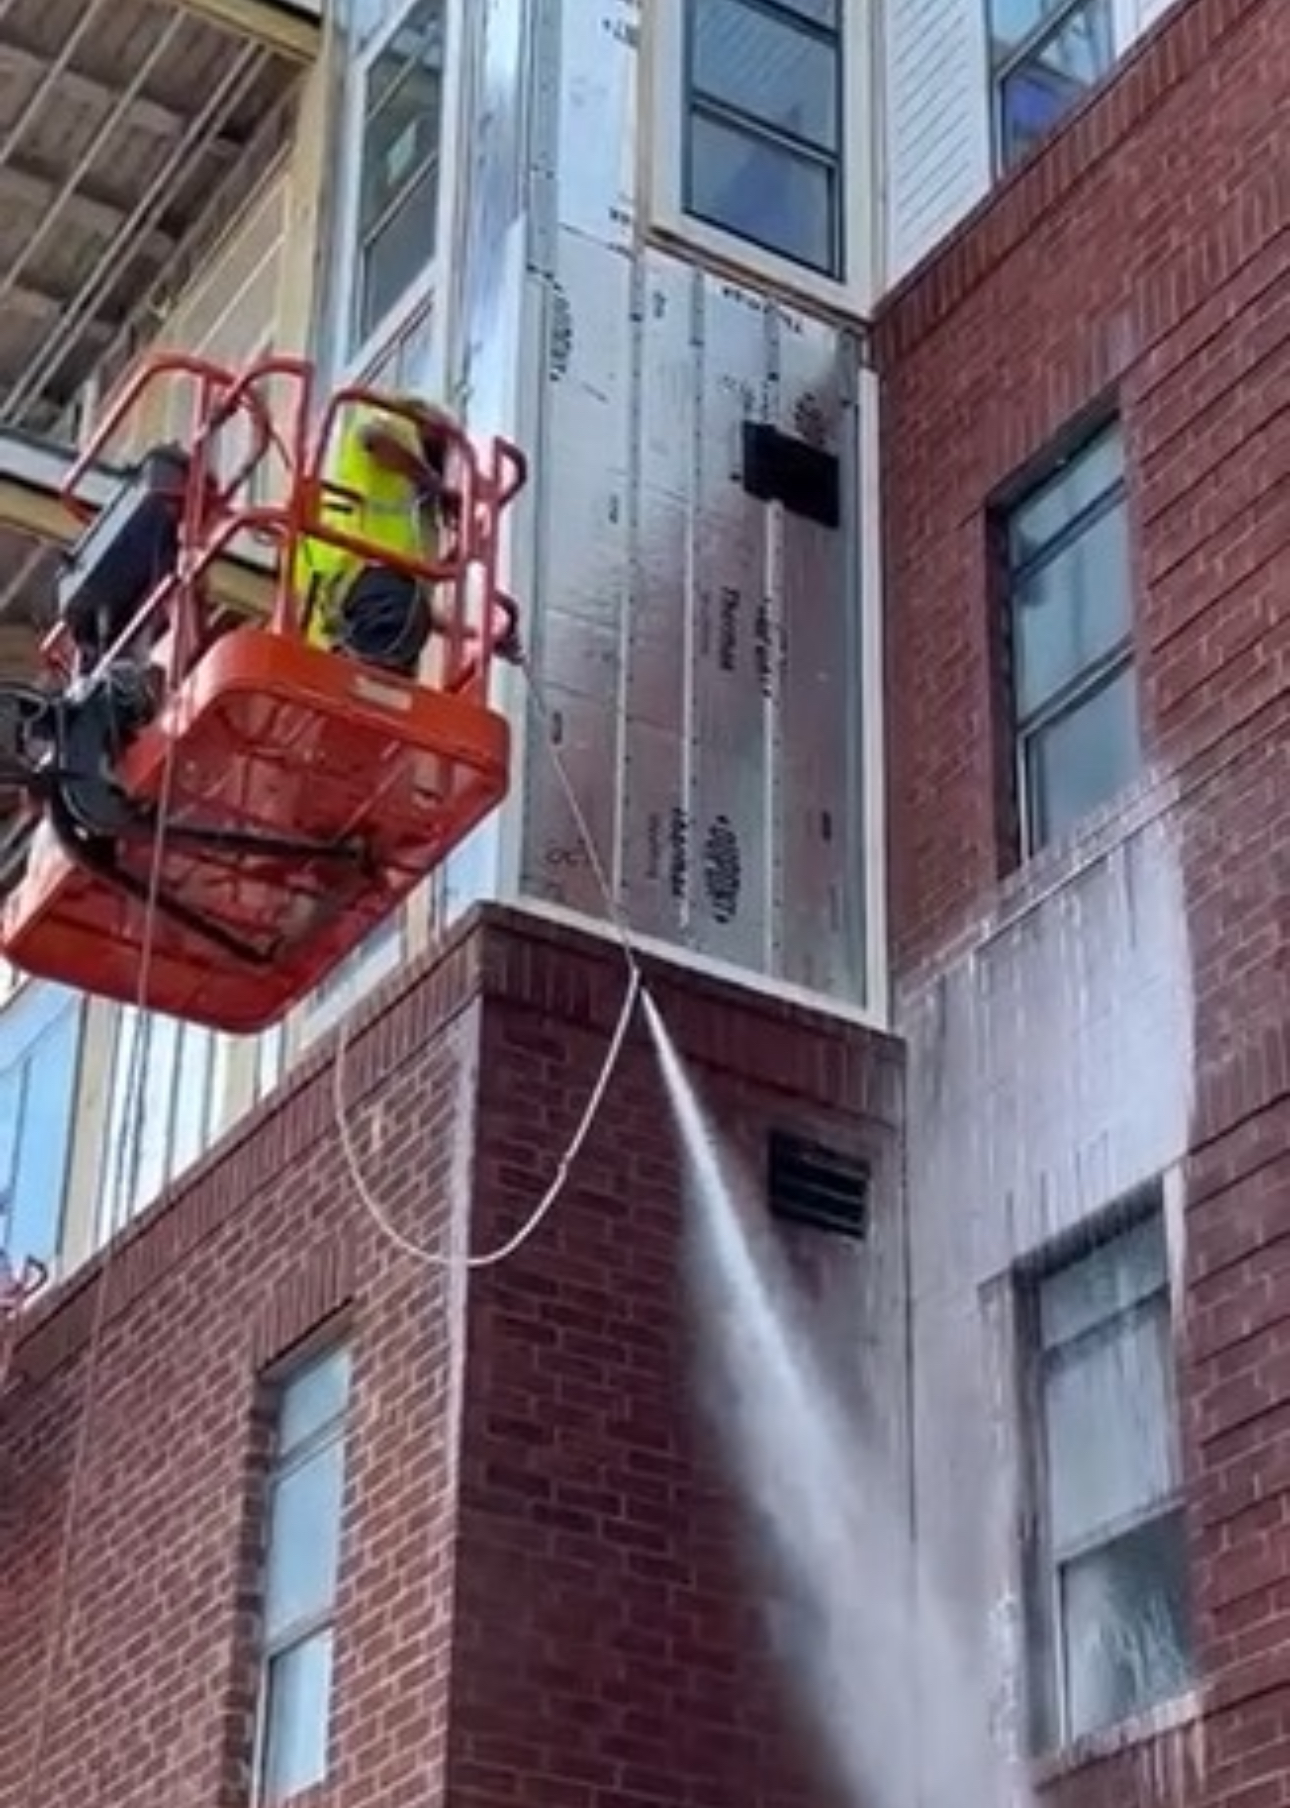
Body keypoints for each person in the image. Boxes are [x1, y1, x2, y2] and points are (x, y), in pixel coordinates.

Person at [294, 395, 477, 679]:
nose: (443, 451)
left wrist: (470, 633)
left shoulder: (413, 495)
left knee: (400, 645)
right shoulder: (397, 425)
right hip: (365, 575)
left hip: (355, 597)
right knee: (392, 642)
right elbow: (374, 437)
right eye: (440, 437)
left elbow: (417, 601)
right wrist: (431, 481)